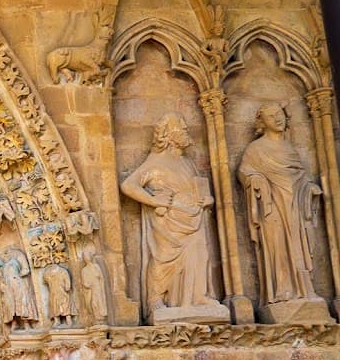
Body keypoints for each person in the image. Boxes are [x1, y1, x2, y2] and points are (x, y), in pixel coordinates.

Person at [120, 115, 226, 319]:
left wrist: (208, 200)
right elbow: (128, 185)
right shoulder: (156, 161)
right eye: (183, 129)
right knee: (164, 258)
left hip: (194, 217)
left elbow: (198, 189)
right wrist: (154, 201)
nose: (187, 132)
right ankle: (156, 300)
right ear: (170, 135)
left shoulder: (187, 163)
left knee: (199, 254)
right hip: (169, 221)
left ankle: (198, 296)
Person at [238, 103, 323, 305]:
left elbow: (299, 178)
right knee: (278, 247)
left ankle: (305, 290)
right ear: (262, 122)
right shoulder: (256, 149)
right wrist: (255, 179)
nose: (277, 119)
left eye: (280, 114)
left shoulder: (289, 148)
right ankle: (282, 290)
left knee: (300, 246)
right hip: (272, 206)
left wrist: (309, 188)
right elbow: (244, 171)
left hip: (296, 208)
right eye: (271, 116)